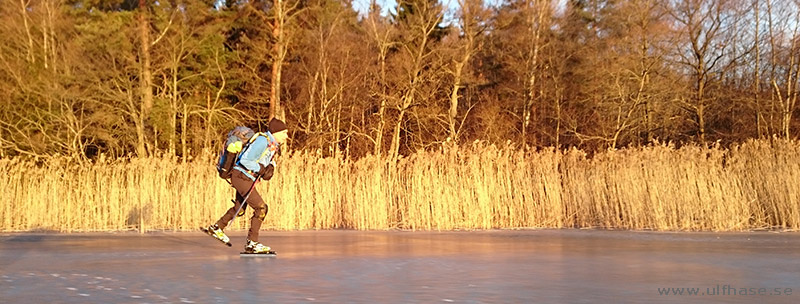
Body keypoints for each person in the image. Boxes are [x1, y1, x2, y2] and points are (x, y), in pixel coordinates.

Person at [205, 118, 288, 253]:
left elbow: (263, 162)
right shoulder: (263, 141)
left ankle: (217, 227)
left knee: (240, 208)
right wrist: (260, 169)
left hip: (246, 178)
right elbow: (245, 160)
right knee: (261, 208)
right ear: (276, 132)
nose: (286, 136)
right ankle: (252, 243)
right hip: (241, 177)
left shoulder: (272, 145)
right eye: (284, 132)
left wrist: (269, 169)